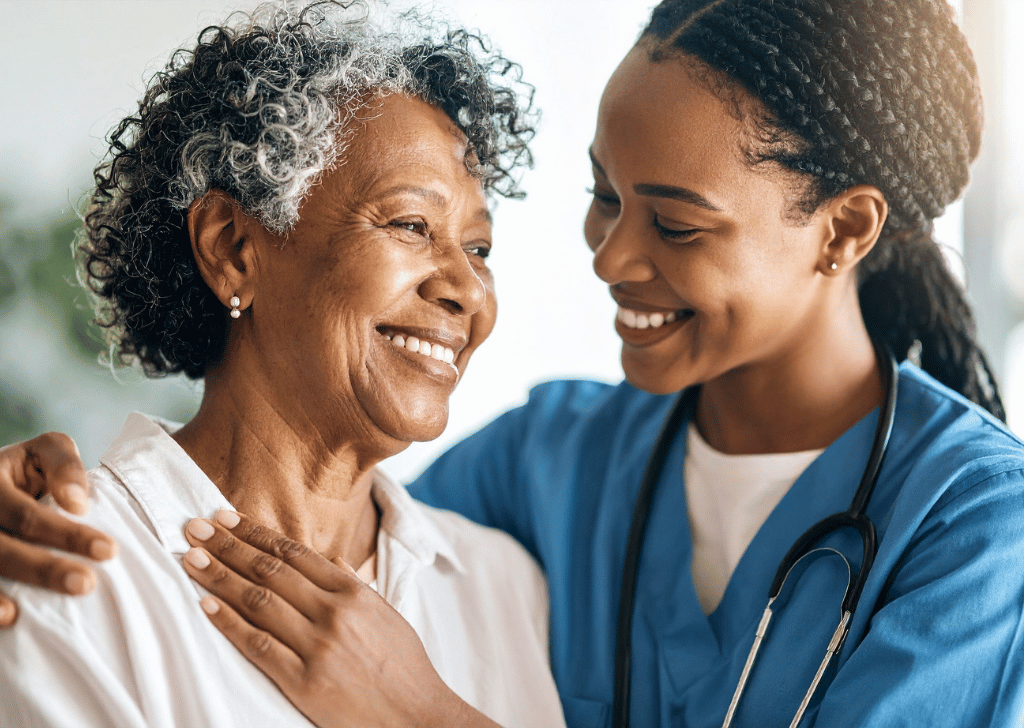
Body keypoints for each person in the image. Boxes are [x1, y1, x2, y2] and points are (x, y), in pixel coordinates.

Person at [3, 0, 1024, 725]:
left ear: (842, 230)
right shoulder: (552, 469)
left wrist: (421, 713)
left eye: (672, 221)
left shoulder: (976, 522)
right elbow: (301, 479)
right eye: (602, 195)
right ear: (232, 245)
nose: (610, 256)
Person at [0, 2, 567, 727]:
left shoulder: (507, 587)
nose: (465, 290)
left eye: (480, 250)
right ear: (234, 248)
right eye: (410, 225)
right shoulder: (60, 570)